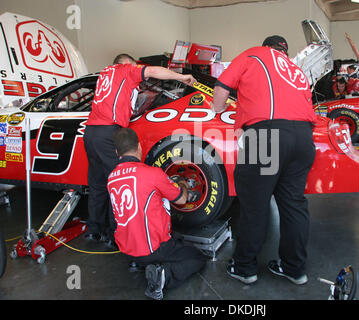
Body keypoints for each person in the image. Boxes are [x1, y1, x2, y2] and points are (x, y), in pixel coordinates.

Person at [211, 35, 317, 285]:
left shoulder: (254, 54)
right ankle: (295, 269)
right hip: (303, 137)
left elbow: (221, 87)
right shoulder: (296, 69)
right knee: (294, 205)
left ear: (265, 45)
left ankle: (245, 267)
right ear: (285, 50)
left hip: (266, 135)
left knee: (254, 205)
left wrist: (217, 110)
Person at [83, 54, 196, 246]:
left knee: (98, 184)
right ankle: (115, 235)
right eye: (136, 67)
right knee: (119, 185)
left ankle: (94, 231)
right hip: (109, 132)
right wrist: (181, 77)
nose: (138, 73)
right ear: (127, 64)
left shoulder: (104, 74)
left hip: (90, 132)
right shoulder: (124, 70)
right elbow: (152, 71)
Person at [107, 128, 207, 300]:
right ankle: (163, 276)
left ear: (117, 152)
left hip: (127, 250)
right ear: (139, 147)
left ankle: (143, 263)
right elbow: (182, 199)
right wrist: (182, 183)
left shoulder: (111, 178)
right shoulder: (152, 174)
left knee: (173, 238)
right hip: (152, 249)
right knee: (197, 257)